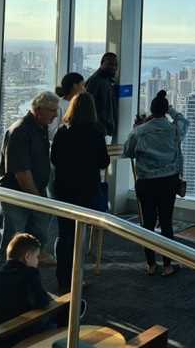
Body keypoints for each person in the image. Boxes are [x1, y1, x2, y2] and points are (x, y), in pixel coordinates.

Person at [123, 90, 187, 276]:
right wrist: (172, 110)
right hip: (169, 182)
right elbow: (183, 121)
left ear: (151, 110)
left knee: (148, 223)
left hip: (146, 183)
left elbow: (128, 152)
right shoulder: (174, 130)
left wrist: (138, 126)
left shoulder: (140, 131)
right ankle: (167, 265)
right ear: (166, 110)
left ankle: (151, 264)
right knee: (166, 222)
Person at [50, 93, 110, 292]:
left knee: (64, 234)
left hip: (64, 189)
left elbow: (55, 159)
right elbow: (104, 162)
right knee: (80, 235)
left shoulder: (62, 132)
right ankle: (77, 278)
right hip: (87, 189)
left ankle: (63, 278)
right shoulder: (96, 132)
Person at [0, 91, 58, 267]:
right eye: (52, 111)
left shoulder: (41, 127)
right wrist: (38, 201)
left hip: (33, 193)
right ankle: (3, 286)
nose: (55, 115)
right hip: (16, 195)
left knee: (34, 242)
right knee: (13, 244)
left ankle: (25, 282)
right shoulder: (20, 131)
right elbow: (22, 173)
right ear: (38, 110)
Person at [0, 232, 54, 344]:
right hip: (15, 334)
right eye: (36, 256)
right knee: (56, 319)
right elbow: (42, 302)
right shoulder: (30, 273)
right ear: (27, 256)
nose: (37, 261)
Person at [84, 53, 118, 141]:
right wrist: (99, 127)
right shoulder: (95, 81)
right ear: (102, 63)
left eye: (115, 65)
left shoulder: (107, 79)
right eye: (110, 64)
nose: (113, 67)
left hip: (105, 129)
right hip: (99, 131)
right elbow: (88, 106)